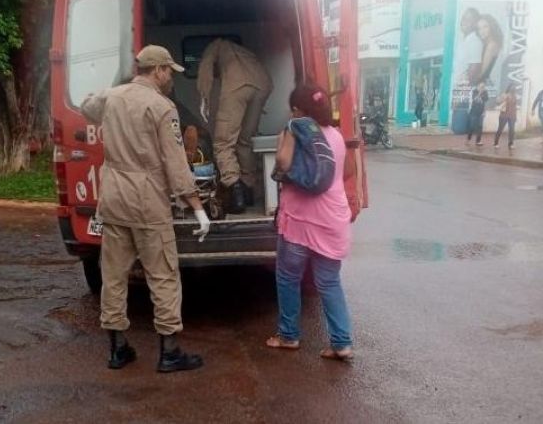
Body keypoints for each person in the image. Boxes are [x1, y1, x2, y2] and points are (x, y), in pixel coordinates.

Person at [80, 45, 210, 373]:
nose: (170, 78)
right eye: (169, 71)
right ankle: (169, 352)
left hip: (113, 200)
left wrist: (112, 91)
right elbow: (176, 164)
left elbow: (86, 105)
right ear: (157, 71)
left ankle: (118, 349)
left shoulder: (112, 97)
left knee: (113, 276)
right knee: (163, 275)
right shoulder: (162, 107)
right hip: (148, 202)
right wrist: (197, 207)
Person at [265, 83, 355, 362]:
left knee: (288, 278)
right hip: (332, 220)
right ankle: (341, 343)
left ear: (297, 109)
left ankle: (289, 335)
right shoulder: (337, 136)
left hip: (300, 221)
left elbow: (282, 160)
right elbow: (347, 171)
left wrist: (283, 151)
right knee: (329, 282)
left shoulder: (294, 128)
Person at [197, 38, 273, 214]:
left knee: (223, 143)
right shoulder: (242, 51)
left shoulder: (215, 46)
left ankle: (235, 192)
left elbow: (205, 68)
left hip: (238, 84)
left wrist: (204, 97)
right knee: (244, 141)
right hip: (263, 84)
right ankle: (248, 191)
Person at [471, 14, 504, 86]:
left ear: (492, 27)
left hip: (484, 87)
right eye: (479, 28)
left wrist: (470, 80)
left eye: (485, 27)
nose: (482, 31)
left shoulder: (491, 46)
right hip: (486, 85)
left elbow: (483, 73)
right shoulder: (491, 43)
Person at [455, 8, 483, 83]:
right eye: (464, 18)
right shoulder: (462, 40)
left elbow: (474, 70)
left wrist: (461, 88)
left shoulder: (475, 41)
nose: (464, 22)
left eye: (468, 20)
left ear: (475, 24)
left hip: (462, 90)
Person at [493, 83, 518, 149]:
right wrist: (502, 98)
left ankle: (511, 144)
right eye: (512, 87)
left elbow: (514, 107)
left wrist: (515, 116)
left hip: (512, 115)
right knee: (500, 129)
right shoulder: (504, 94)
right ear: (509, 88)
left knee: (512, 130)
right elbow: (497, 102)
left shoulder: (515, 96)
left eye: (514, 87)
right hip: (504, 115)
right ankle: (496, 142)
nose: (513, 89)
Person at [465, 82, 489, 146]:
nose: (482, 88)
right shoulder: (474, 91)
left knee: (480, 127)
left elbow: (485, 101)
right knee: (472, 126)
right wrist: (480, 92)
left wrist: (484, 111)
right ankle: (468, 139)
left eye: (483, 86)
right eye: (481, 86)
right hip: (473, 112)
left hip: (481, 112)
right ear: (478, 86)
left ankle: (478, 141)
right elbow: (474, 99)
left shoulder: (485, 92)